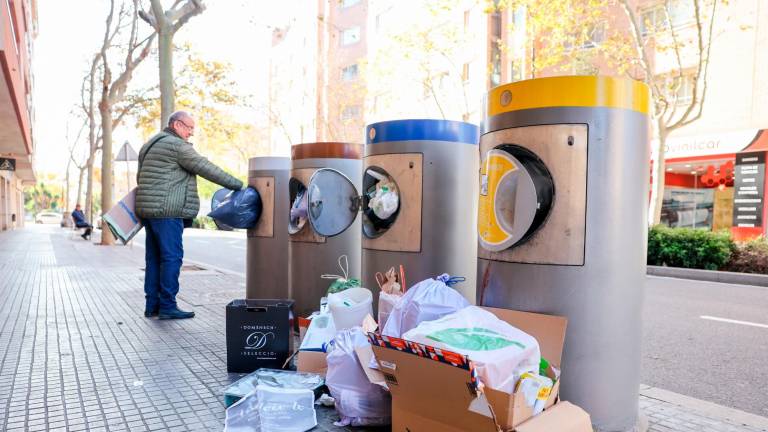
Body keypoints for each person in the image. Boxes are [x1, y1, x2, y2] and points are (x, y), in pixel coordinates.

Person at [135, 111, 243, 320]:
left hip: (149, 210)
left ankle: (152, 305)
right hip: (167, 211)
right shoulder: (176, 146)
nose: (191, 133)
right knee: (171, 257)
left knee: (154, 258)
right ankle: (167, 305)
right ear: (176, 124)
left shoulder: (150, 144)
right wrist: (238, 185)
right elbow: (205, 167)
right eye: (189, 127)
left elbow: (141, 176)